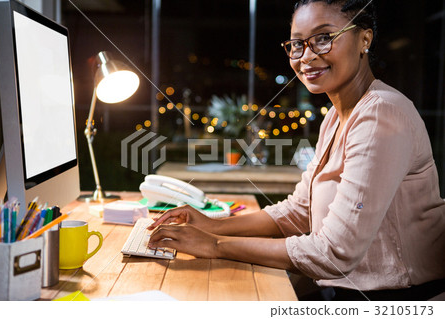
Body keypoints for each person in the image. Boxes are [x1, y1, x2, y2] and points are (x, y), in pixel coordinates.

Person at [148, 0, 445, 301]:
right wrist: (213, 225)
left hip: (398, 298)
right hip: (343, 288)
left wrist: (214, 244)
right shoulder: (336, 117)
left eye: (324, 38)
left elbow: (333, 254)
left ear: (364, 39)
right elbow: (298, 211)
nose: (307, 56)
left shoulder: (381, 114)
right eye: (296, 44)